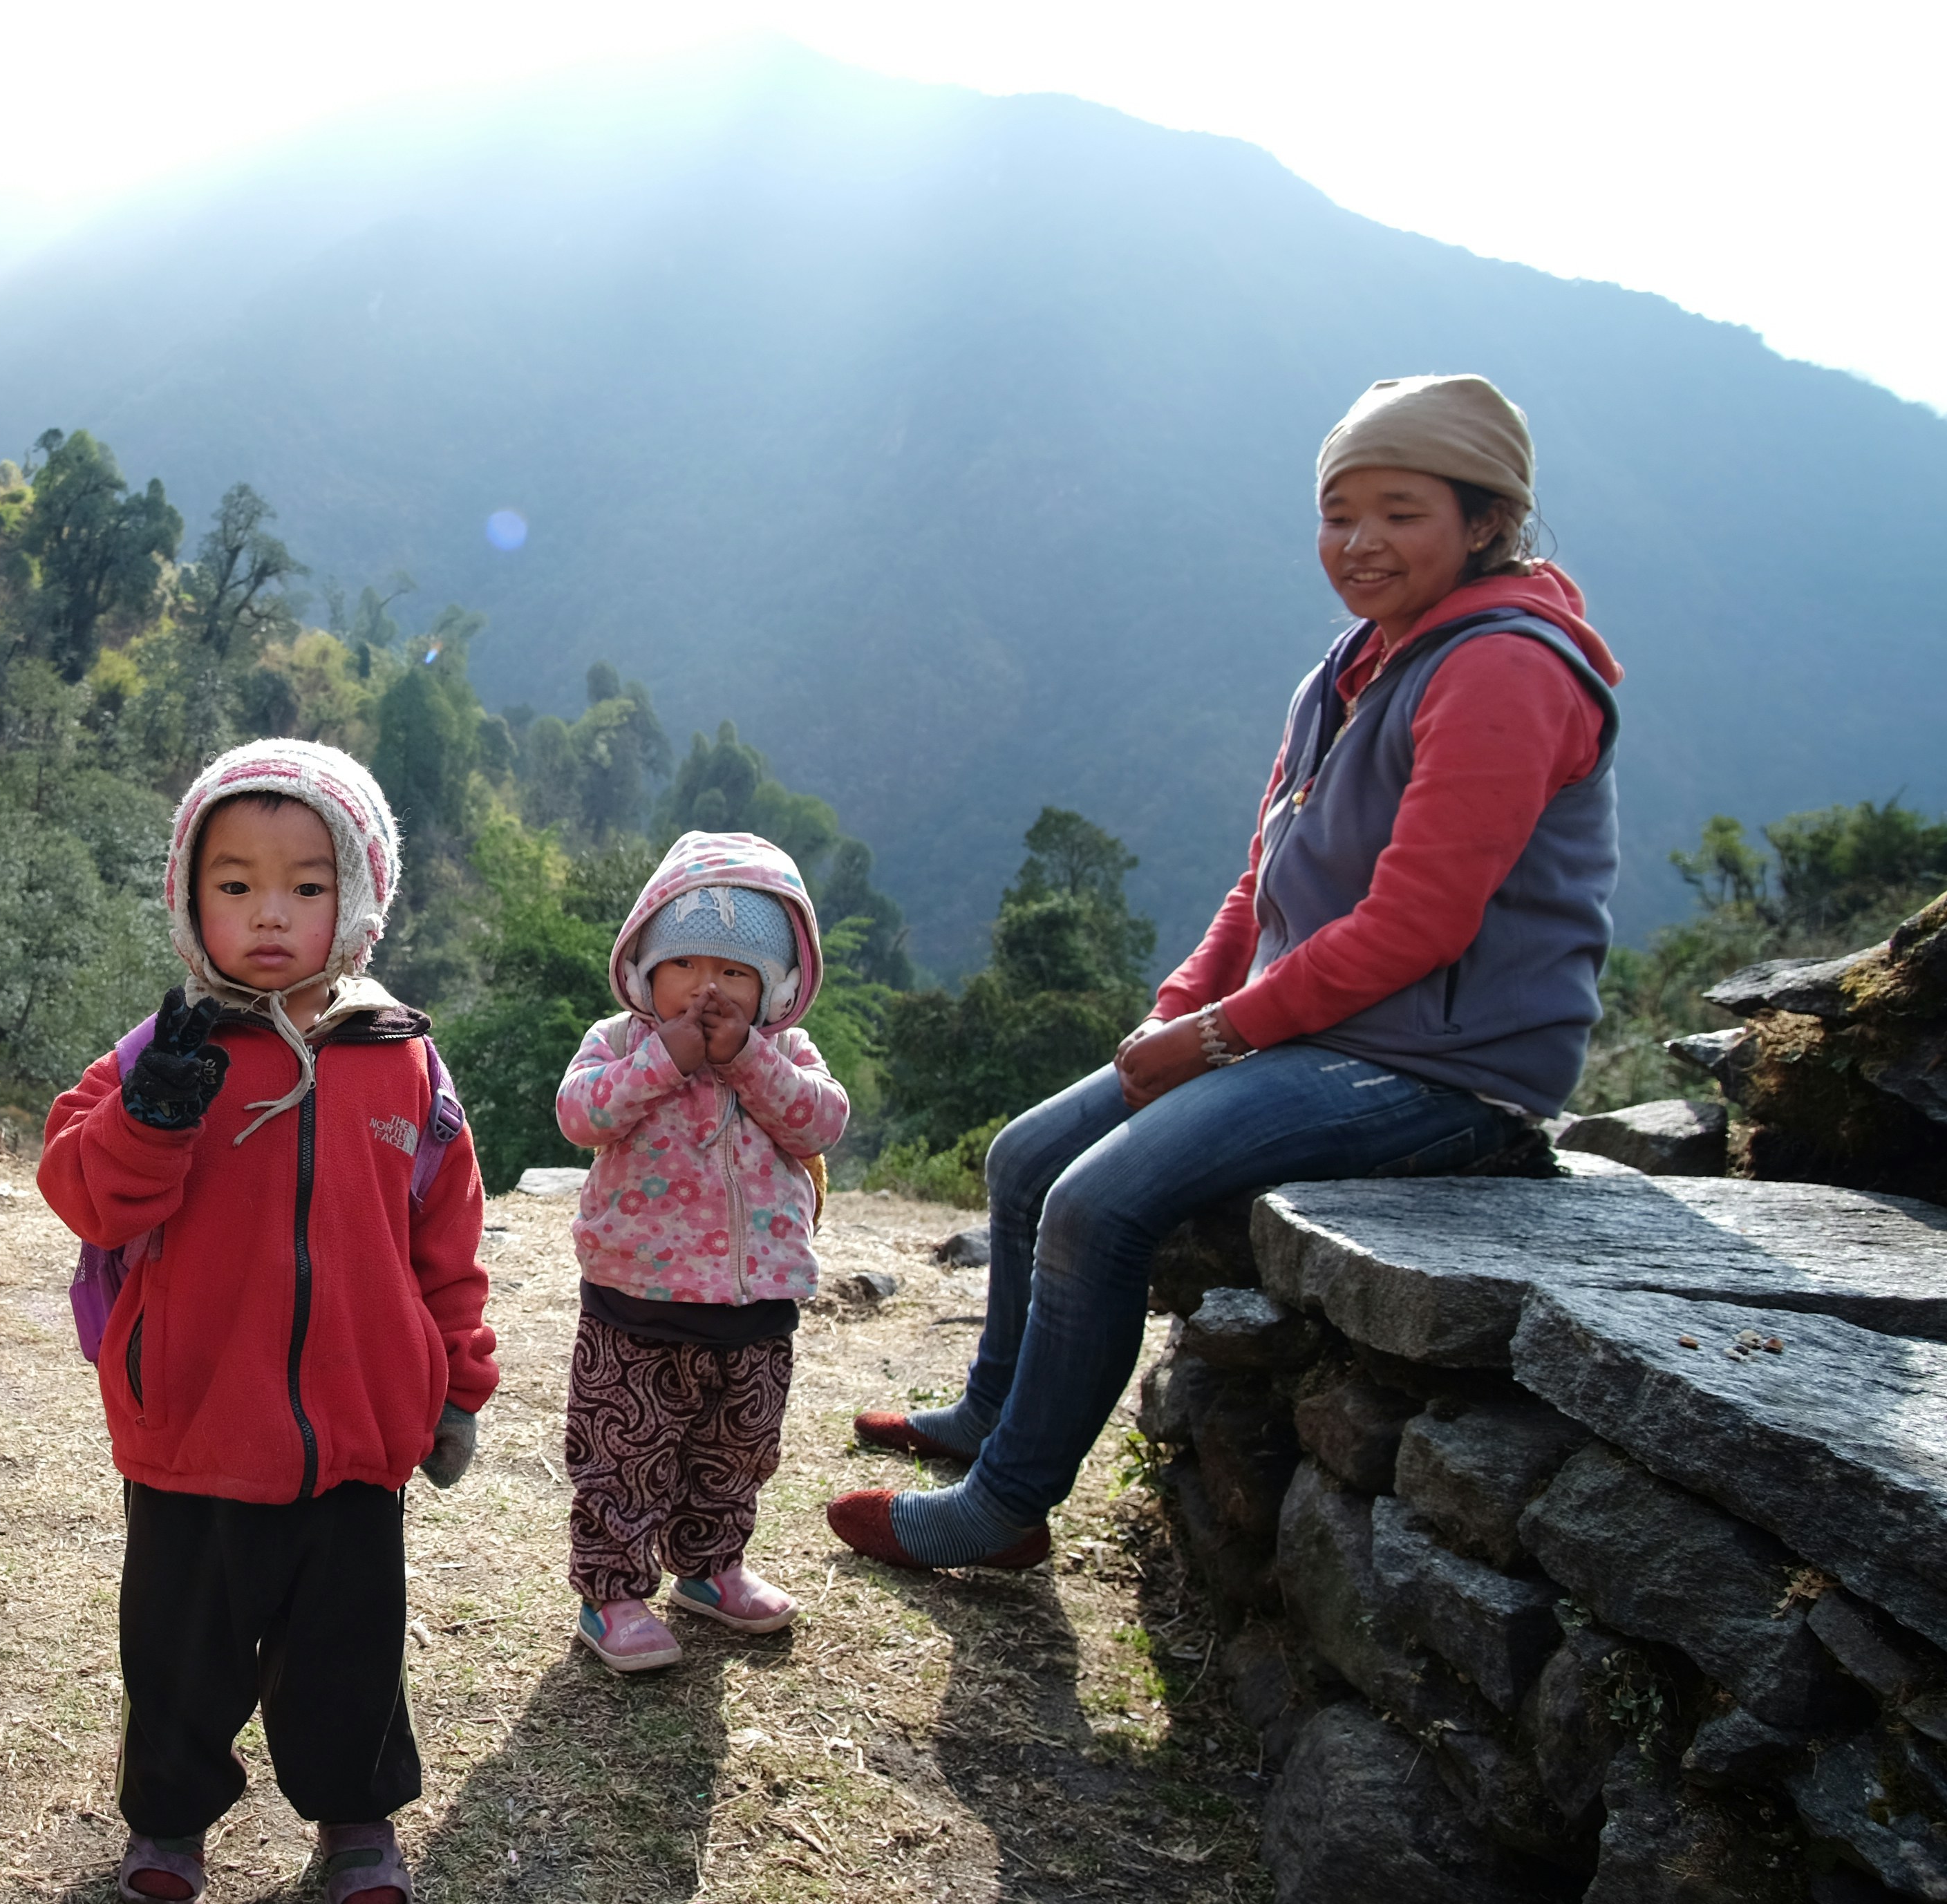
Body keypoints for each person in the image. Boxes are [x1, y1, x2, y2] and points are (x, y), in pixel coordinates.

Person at [837, 373, 1622, 1570]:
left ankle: (1003, 1507)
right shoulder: (1355, 666)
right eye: (1338, 512)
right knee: (1025, 1155)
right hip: (1322, 1030)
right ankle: (987, 1414)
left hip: (1441, 1066)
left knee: (1098, 1203)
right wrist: (1172, 1012)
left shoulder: (1504, 668)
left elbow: (1417, 923)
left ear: (1483, 520)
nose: (1358, 543)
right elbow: (1263, 881)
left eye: (1400, 512)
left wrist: (1212, 1041)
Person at [37, 739, 496, 1904]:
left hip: (356, 1432)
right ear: (190, 896)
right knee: (179, 1647)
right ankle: (169, 1820)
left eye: (306, 882)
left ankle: (355, 1819)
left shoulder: (402, 1057)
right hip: (188, 1424)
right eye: (234, 883)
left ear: (360, 894)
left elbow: (445, 1240)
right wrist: (149, 1121)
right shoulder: (160, 1051)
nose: (270, 913)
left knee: (348, 1649)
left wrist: (457, 1384)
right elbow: (84, 1193)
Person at [555, 834, 852, 1672]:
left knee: (738, 1446)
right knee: (625, 1451)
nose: (707, 987)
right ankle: (612, 1594)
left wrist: (748, 1061)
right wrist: (664, 1061)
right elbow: (581, 1116)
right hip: (634, 1301)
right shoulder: (618, 1042)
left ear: (777, 988)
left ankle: (712, 1569)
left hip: (758, 1306)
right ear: (645, 968)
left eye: (736, 971)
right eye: (684, 963)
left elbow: (821, 1124)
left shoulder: (787, 1055)